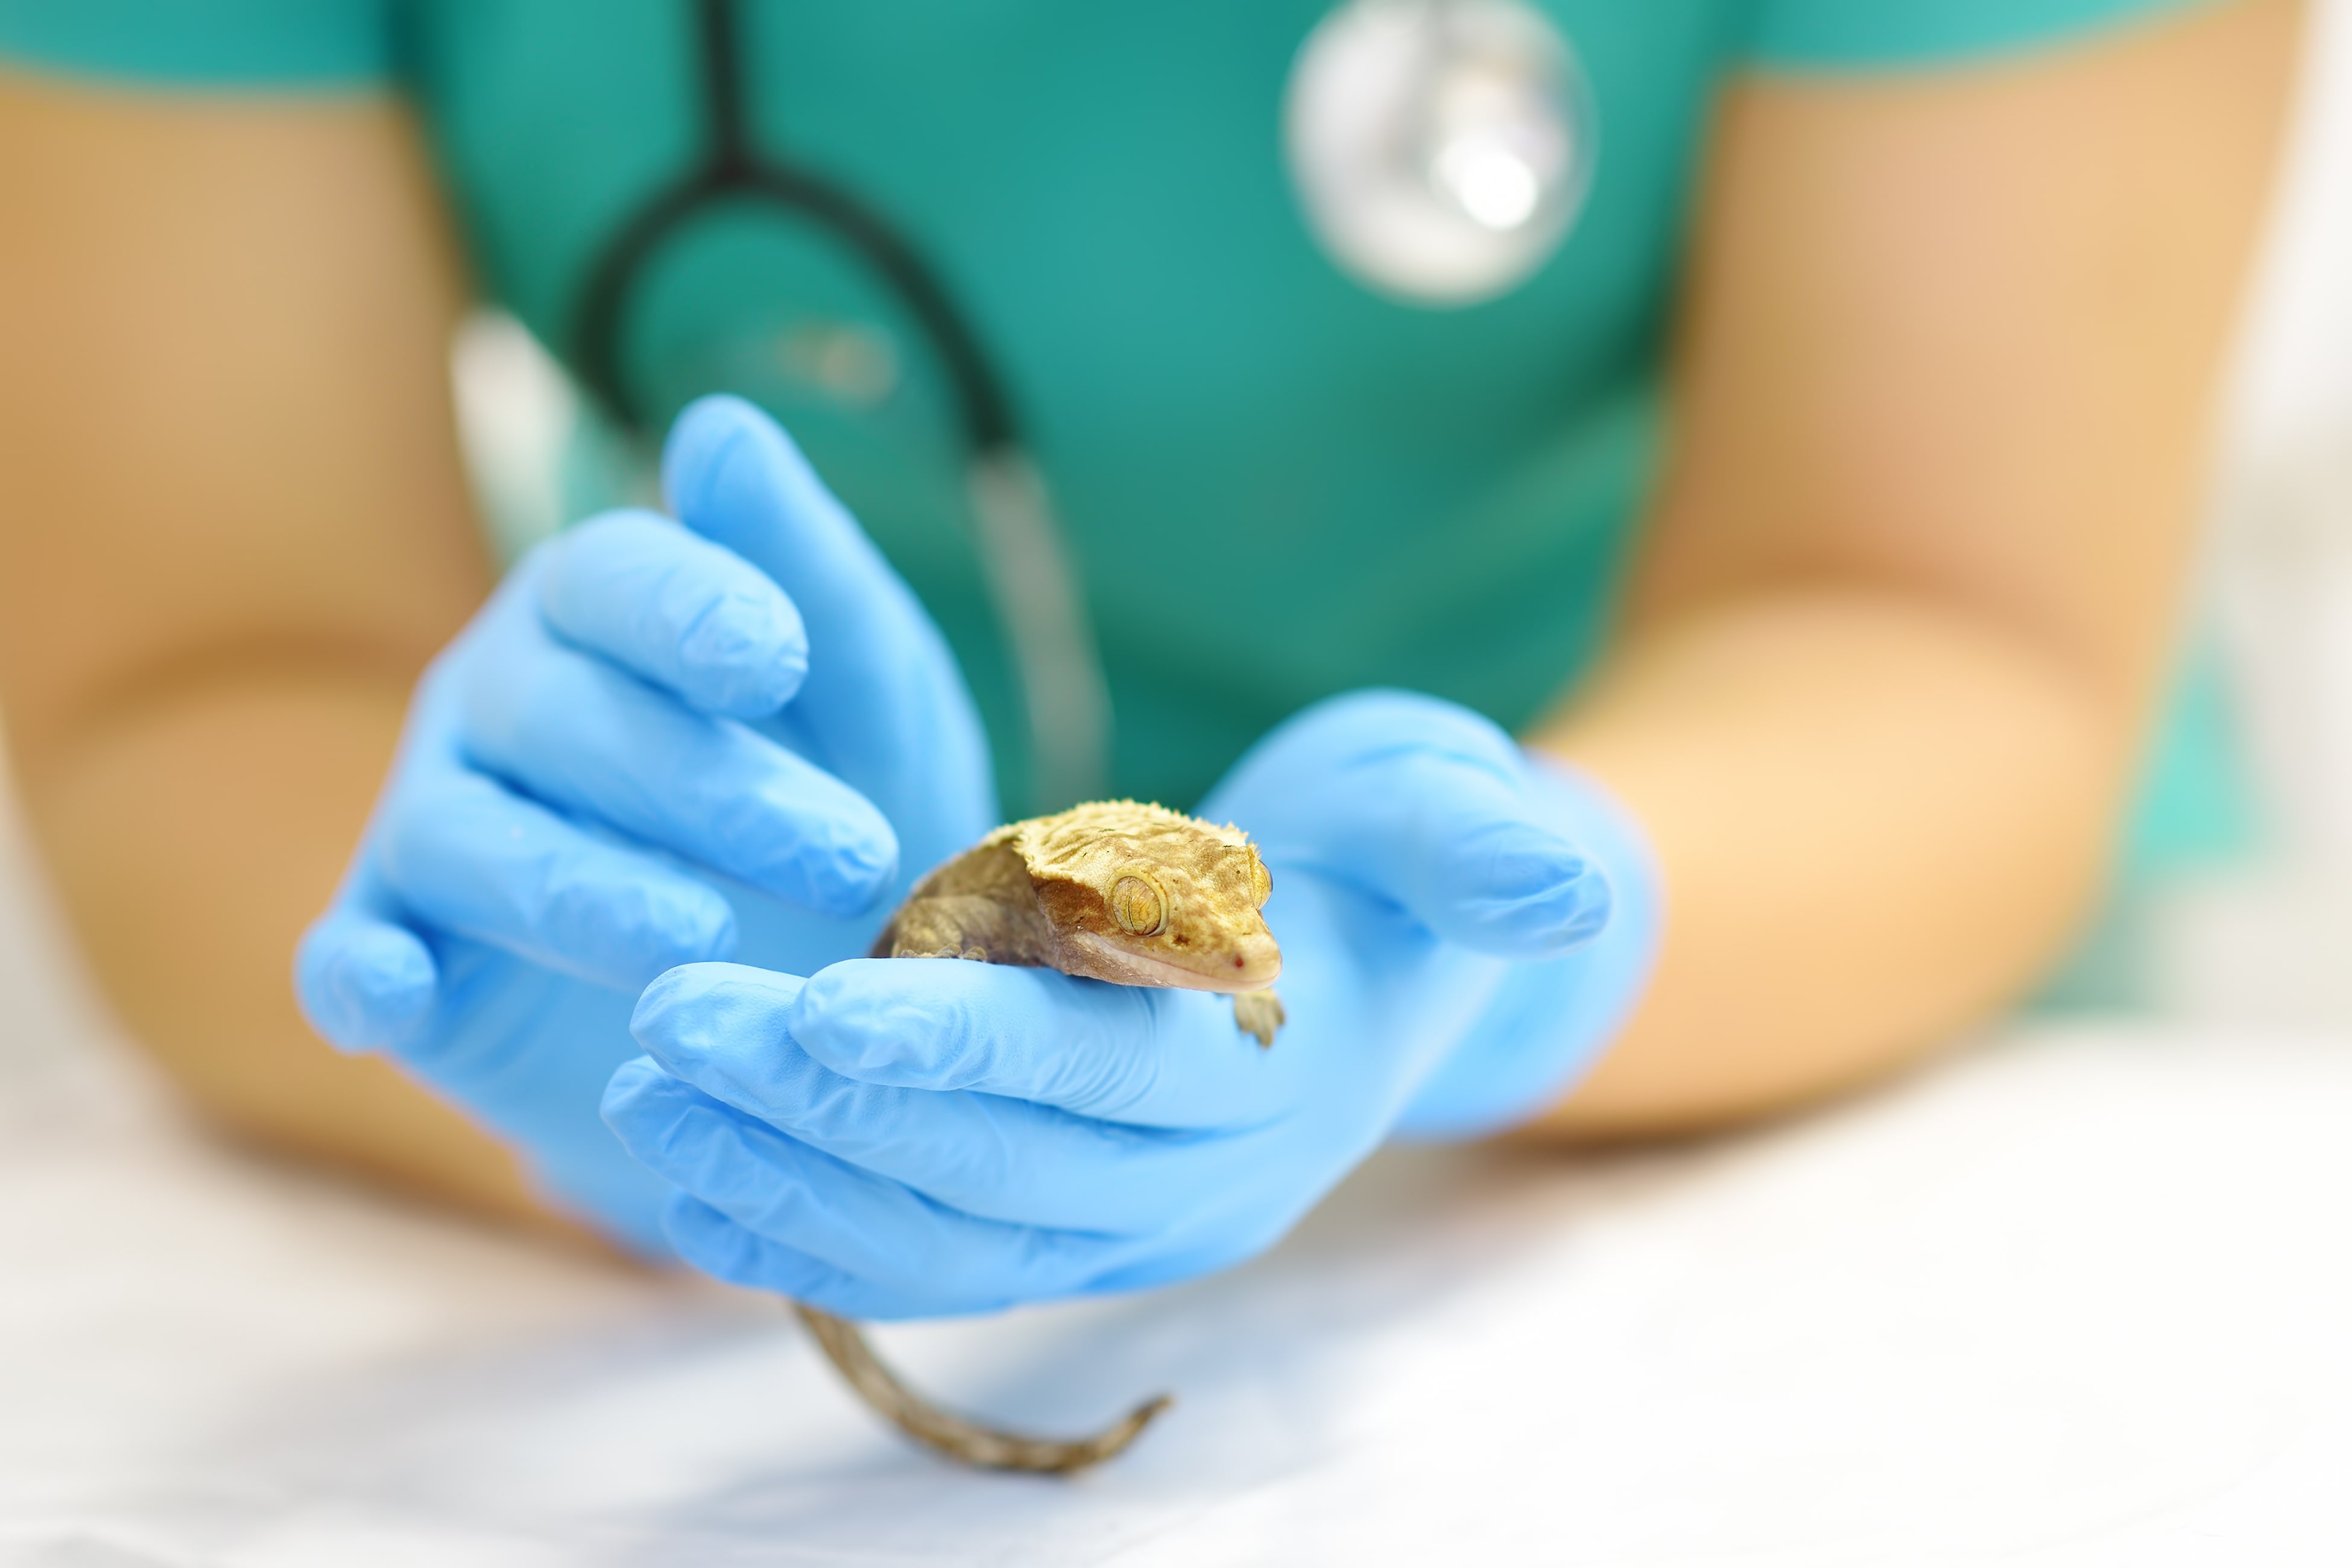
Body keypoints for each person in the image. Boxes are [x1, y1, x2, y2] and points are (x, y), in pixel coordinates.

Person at [0, 1, 2295, 1308]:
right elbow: (203, 668)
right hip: (669, 1179)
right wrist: (591, 1004)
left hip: (1775, 1044)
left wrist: (1492, 956)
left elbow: (1935, 618)